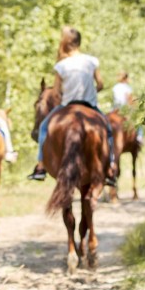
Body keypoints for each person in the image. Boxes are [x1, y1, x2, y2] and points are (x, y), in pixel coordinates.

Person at [27, 27, 114, 184]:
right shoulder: (92, 61)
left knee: (44, 128)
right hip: (90, 105)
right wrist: (92, 92)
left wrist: (62, 97)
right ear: (79, 43)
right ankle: (110, 166)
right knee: (107, 128)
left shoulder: (61, 65)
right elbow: (100, 84)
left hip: (67, 106)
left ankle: (40, 166)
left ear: (67, 44)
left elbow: (55, 93)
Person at [111, 71, 144, 144]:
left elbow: (114, 99)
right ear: (126, 78)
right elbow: (129, 100)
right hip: (124, 110)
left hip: (114, 109)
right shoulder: (127, 88)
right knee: (138, 120)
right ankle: (140, 136)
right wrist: (134, 106)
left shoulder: (115, 87)